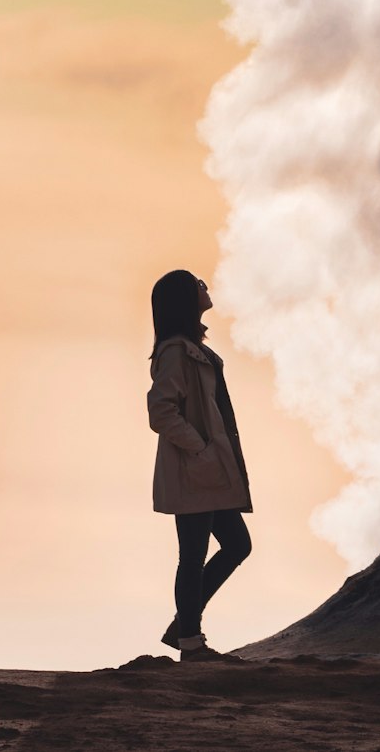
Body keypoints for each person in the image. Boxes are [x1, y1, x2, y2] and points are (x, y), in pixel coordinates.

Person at [147, 269, 252, 662]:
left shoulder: (192, 348)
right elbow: (161, 411)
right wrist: (200, 449)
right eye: (198, 284)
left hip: (209, 469)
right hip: (196, 469)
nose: (205, 288)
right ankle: (190, 641)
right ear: (183, 299)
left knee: (237, 545)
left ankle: (184, 625)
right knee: (192, 556)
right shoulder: (177, 351)